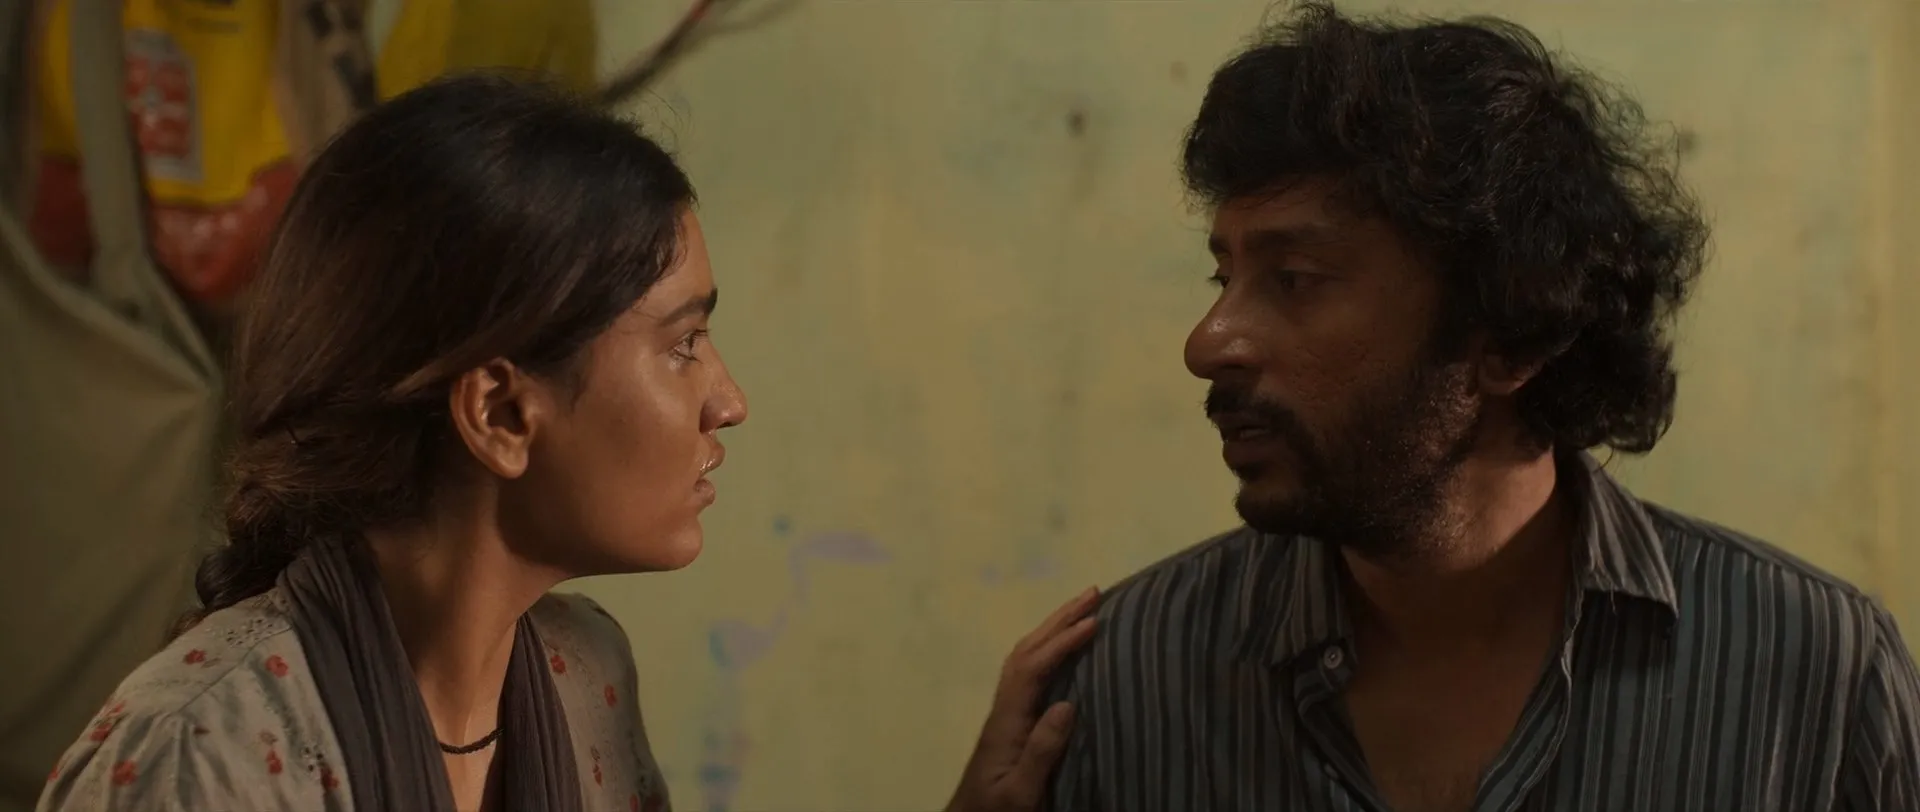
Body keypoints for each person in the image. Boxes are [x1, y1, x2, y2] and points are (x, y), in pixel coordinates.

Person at [36, 74, 1095, 812]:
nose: (729, 401)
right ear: (501, 413)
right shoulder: (201, 758)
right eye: (683, 345)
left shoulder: (582, 677)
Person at [1043, 5, 1920, 812]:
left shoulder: (1817, 676)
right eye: (1223, 277)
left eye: (1294, 280)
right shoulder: (1123, 679)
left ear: (1510, 335)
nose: (1209, 343)